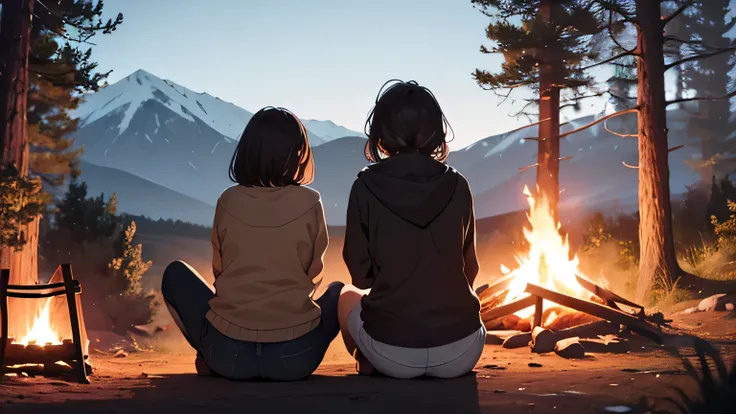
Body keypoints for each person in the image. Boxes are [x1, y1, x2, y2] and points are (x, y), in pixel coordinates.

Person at [161, 106, 343, 381]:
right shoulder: (310, 202)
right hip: (294, 359)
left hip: (227, 355)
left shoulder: (228, 200)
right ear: (297, 154)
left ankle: (207, 355)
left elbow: (220, 273)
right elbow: (313, 274)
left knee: (176, 274)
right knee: (339, 291)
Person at [337, 80, 485, 379]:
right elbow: (469, 269)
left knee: (344, 296)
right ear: (437, 132)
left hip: (393, 353)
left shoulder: (364, 187)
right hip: (462, 351)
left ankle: (368, 361)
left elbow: (360, 276)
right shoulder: (458, 185)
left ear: (381, 133)